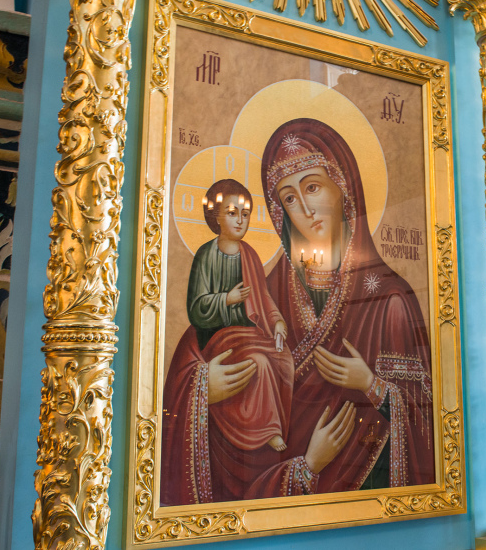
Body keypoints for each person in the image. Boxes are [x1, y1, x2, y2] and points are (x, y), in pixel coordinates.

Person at [161, 118, 432, 505]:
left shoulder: (389, 300)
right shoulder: (264, 286)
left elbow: (427, 429)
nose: (304, 208)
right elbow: (196, 344)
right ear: (279, 211)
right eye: (289, 197)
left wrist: (371, 385)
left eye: (313, 187)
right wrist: (202, 387)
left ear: (344, 190)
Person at [187, 179, 291, 454]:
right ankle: (268, 429)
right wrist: (226, 300)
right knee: (260, 362)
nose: (240, 220)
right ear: (216, 216)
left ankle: (264, 424)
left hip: (248, 333)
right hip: (218, 337)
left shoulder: (251, 255)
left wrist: (277, 321)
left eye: (245, 214)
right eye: (232, 213)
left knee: (283, 359)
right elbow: (196, 308)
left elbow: (262, 296)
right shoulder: (205, 256)